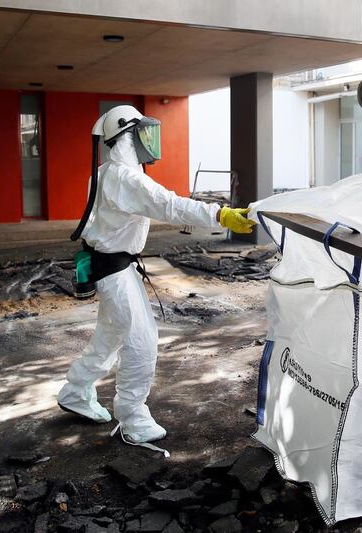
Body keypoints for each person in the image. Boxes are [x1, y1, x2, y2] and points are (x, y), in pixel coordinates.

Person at [57, 105, 255, 447]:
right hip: (115, 270)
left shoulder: (107, 172)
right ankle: (132, 416)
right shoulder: (125, 178)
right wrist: (220, 214)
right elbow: (170, 205)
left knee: (110, 336)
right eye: (142, 133)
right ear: (126, 137)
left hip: (111, 265)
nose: (150, 141)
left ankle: (75, 390)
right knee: (142, 340)